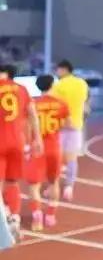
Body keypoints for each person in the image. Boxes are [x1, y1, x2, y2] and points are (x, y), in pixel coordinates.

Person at [0, 64, 41, 237]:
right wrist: (37, 138)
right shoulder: (22, 89)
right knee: (12, 182)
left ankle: (4, 222)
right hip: (17, 142)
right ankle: (15, 218)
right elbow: (33, 114)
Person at [25, 75, 70, 231]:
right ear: (52, 85)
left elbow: (28, 127)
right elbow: (67, 124)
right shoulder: (61, 104)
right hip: (54, 147)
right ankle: (50, 216)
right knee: (53, 182)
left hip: (37, 148)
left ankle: (37, 218)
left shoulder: (32, 104)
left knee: (34, 185)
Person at [51, 59, 88, 202]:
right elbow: (84, 102)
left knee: (56, 158)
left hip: (60, 126)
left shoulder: (58, 85)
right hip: (76, 125)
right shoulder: (82, 84)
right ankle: (69, 186)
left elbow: (53, 104)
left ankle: (53, 186)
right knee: (72, 158)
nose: (57, 72)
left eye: (58, 70)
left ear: (64, 69)